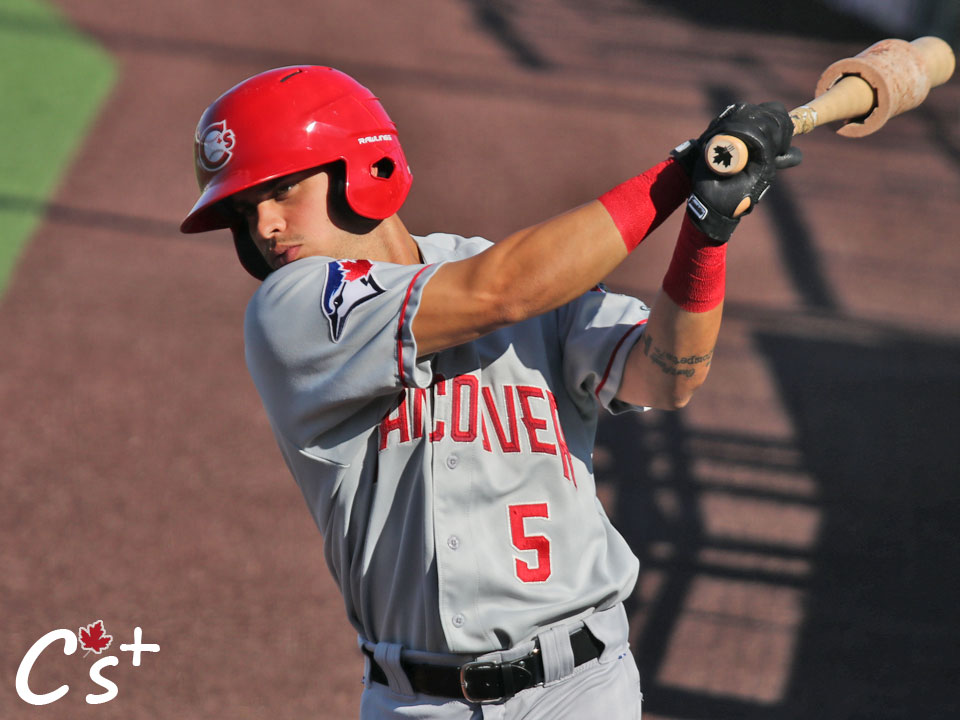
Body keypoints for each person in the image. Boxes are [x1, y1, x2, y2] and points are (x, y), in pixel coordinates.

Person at [180, 65, 799, 718]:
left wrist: (706, 233)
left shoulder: (525, 275)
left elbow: (668, 376)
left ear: (361, 169)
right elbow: (501, 292)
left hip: (581, 687)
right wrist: (681, 172)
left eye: (280, 190)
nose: (265, 227)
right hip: (417, 699)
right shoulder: (293, 310)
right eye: (246, 213)